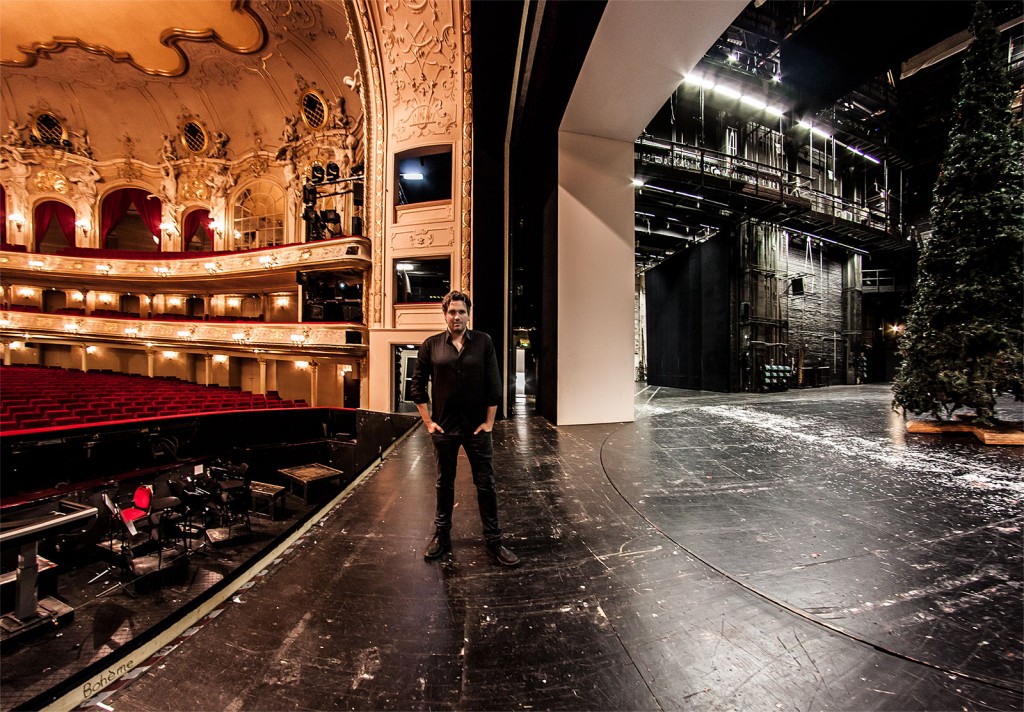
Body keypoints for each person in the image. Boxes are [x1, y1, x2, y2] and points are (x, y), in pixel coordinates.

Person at [409, 290, 520, 567]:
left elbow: (494, 385)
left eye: (461, 311)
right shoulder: (431, 345)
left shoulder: (483, 342)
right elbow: (417, 386)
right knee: (444, 483)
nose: (456, 316)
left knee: (486, 484)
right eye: (451, 312)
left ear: (468, 314)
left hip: (476, 430)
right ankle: (442, 536)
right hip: (444, 430)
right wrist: (427, 421)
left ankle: (494, 541)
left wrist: (490, 423)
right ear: (444, 315)